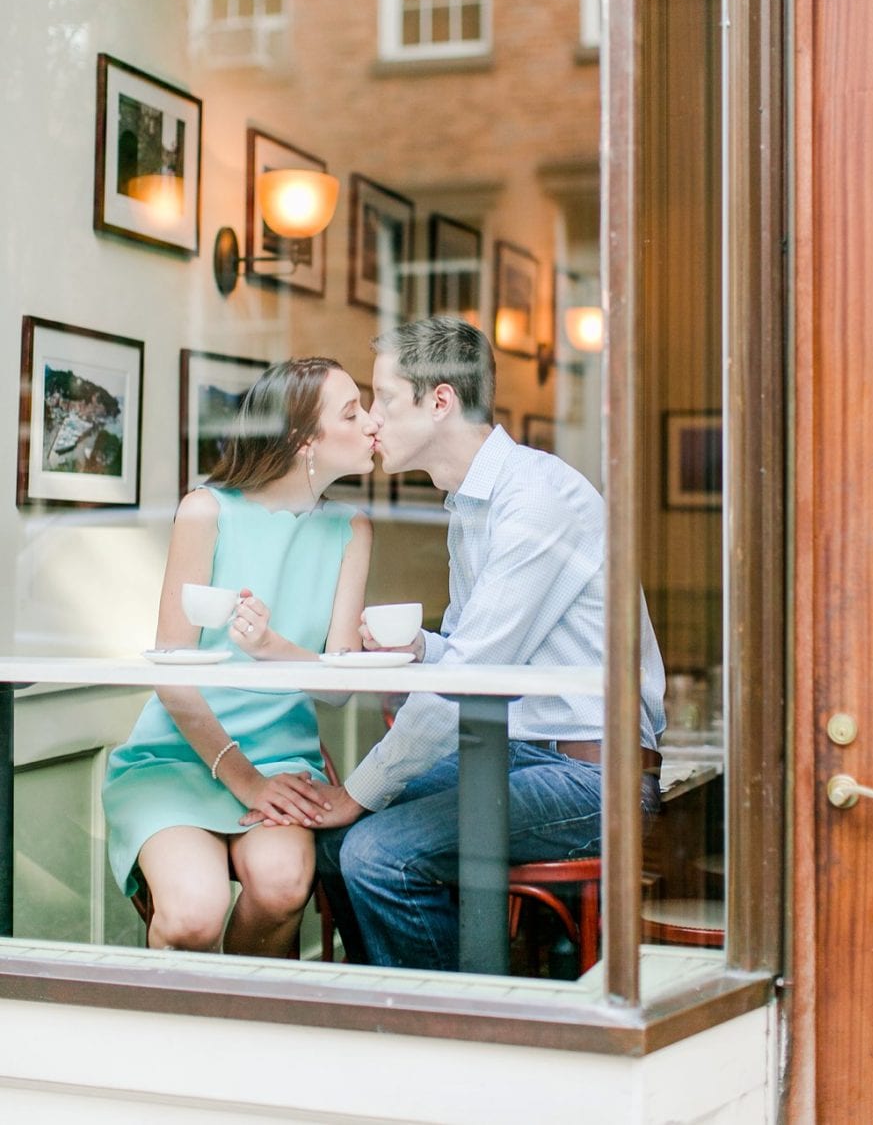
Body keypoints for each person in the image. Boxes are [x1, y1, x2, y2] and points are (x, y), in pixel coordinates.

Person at [305, 317, 666, 970]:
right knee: (335, 847)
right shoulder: (468, 506)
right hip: (518, 754)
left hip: (593, 776)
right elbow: (483, 662)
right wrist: (421, 649)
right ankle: (387, 1011)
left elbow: (470, 680)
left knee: (374, 850)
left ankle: (460, 1032)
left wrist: (359, 790)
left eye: (385, 400)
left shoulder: (534, 499)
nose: (373, 422)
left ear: (440, 401)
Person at [102, 358, 377, 955]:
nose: (373, 424)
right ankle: (177, 1042)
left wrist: (275, 650)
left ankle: (244, 1029)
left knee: (282, 888)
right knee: (192, 917)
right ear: (304, 440)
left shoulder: (352, 528)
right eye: (354, 412)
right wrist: (244, 780)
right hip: (177, 757)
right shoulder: (206, 510)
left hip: (283, 761)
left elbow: (336, 688)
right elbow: (173, 677)